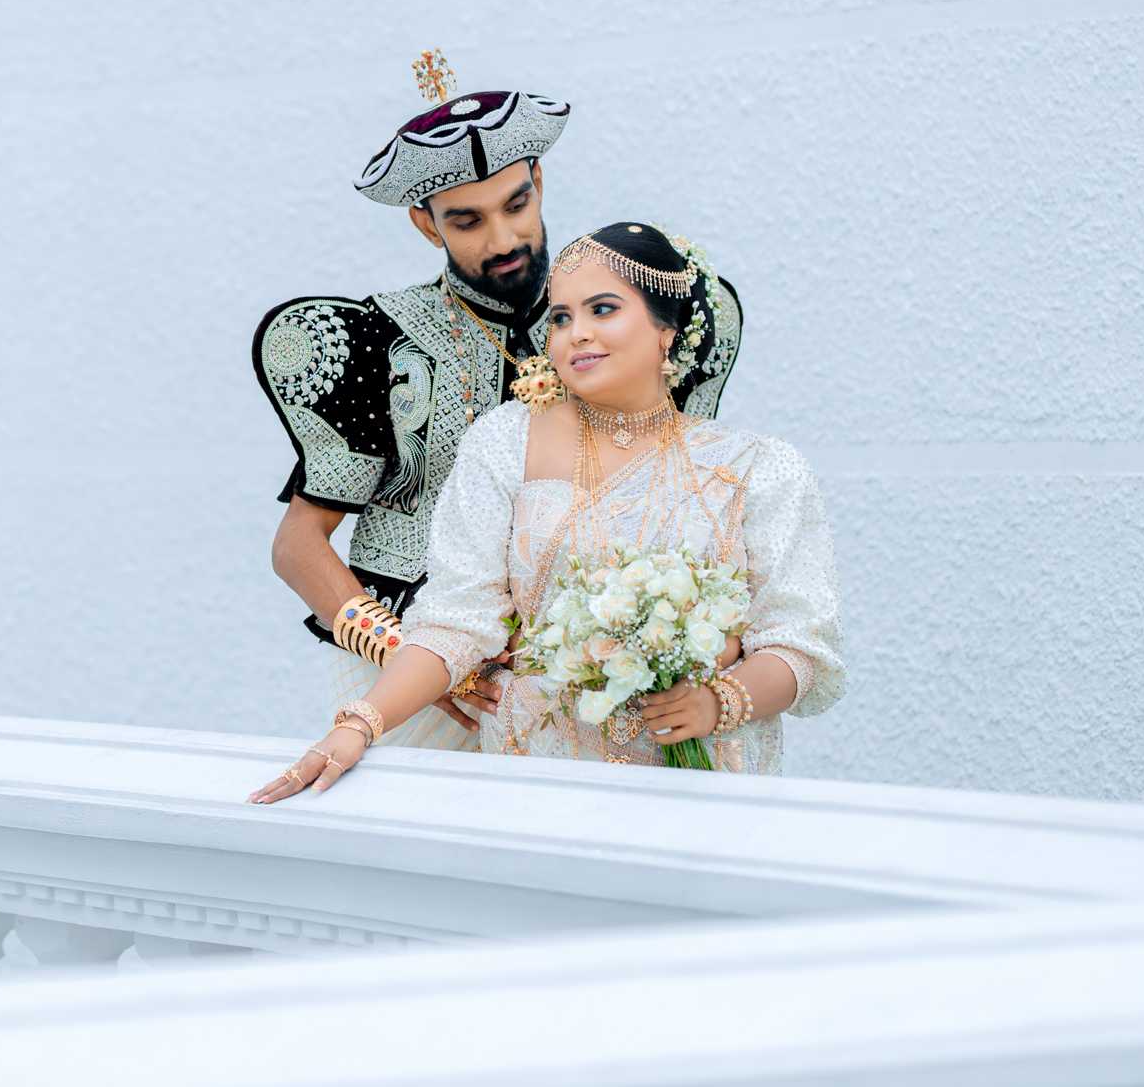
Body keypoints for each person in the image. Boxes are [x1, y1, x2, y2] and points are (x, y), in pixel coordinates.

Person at [248, 221, 845, 801]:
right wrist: (359, 724)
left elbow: (800, 648)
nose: (575, 334)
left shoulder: (755, 467)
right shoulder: (505, 441)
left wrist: (720, 701)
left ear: (667, 328)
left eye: (603, 309)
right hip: (538, 781)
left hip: (703, 787)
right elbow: (457, 622)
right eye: (560, 317)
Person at [253, 54, 574, 751]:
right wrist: (412, 659)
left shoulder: (606, 321)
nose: (502, 240)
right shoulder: (378, 340)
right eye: (467, 220)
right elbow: (296, 546)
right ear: (426, 225)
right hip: (413, 678)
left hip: (575, 665)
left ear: (539, 181)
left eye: (516, 205)